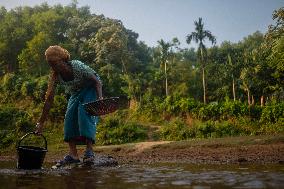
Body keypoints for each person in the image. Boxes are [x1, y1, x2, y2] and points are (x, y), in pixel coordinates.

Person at [35, 45, 103, 166]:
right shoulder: (55, 76)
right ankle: (73, 155)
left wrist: (100, 100)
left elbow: (96, 81)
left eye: (55, 63)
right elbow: (49, 99)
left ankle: (89, 151)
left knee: (84, 112)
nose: (53, 67)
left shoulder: (76, 65)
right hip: (76, 92)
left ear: (63, 60)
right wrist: (41, 123)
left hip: (91, 87)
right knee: (69, 118)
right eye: (50, 64)